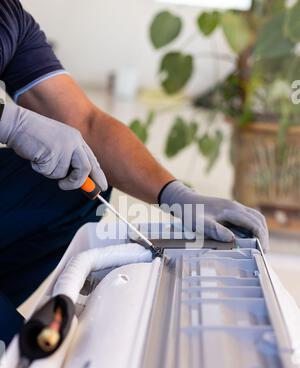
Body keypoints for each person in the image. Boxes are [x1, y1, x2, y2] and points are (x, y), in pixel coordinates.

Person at [0, 0, 268, 344]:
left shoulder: (9, 16)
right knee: (13, 350)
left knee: (82, 178)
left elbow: (87, 123)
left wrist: (177, 196)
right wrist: (8, 123)